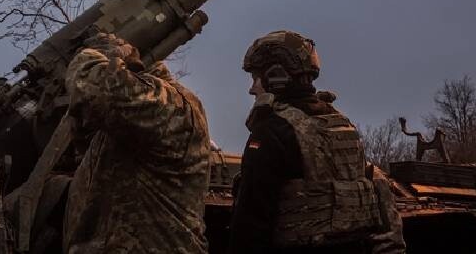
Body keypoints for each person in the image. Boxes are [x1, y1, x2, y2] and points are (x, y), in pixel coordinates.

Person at [229, 30, 405, 254]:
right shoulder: (342, 125)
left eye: (256, 77)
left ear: (276, 75)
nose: (252, 88)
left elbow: (250, 226)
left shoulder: (272, 131)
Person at [62, 32, 210, 254]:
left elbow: (94, 90)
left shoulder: (173, 106)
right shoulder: (130, 124)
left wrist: (95, 55)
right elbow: (86, 134)